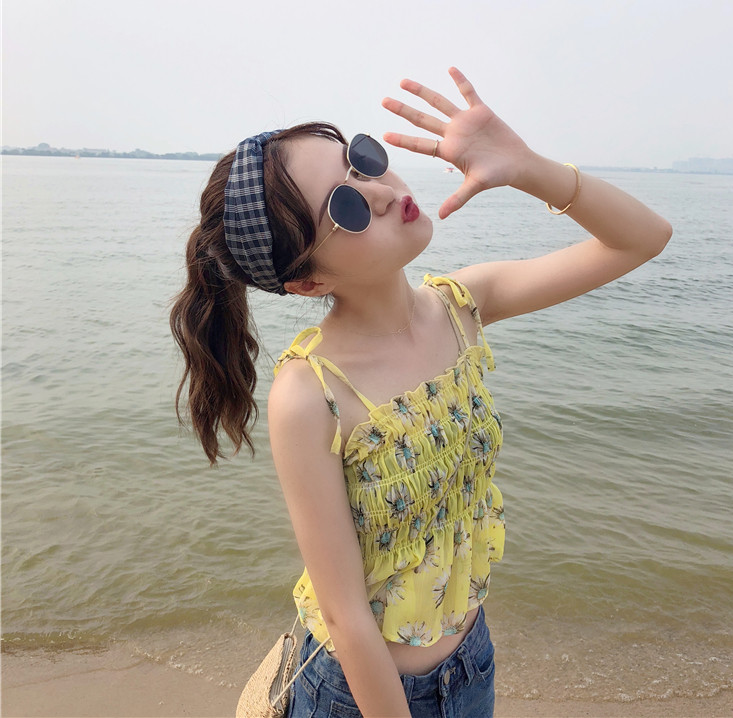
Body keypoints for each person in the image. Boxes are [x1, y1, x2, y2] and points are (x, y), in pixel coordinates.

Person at [170, 68, 672, 717]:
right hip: (358, 694)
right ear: (308, 282)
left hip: (472, 662)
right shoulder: (312, 392)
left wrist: (526, 168)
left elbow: (644, 238)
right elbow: (347, 616)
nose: (381, 192)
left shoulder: (462, 307)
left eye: (363, 161)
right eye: (346, 208)